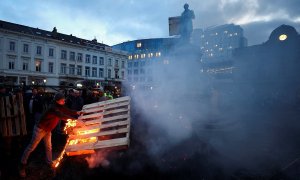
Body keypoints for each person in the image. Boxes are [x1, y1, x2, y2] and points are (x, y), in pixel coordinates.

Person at [18, 93, 83, 178]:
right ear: (57, 100)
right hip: (40, 130)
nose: (64, 101)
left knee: (49, 146)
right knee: (31, 147)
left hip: (47, 130)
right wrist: (75, 120)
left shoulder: (60, 106)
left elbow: (67, 110)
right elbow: (62, 115)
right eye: (62, 100)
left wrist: (76, 112)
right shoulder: (53, 108)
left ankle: (49, 162)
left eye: (64, 99)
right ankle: (22, 165)